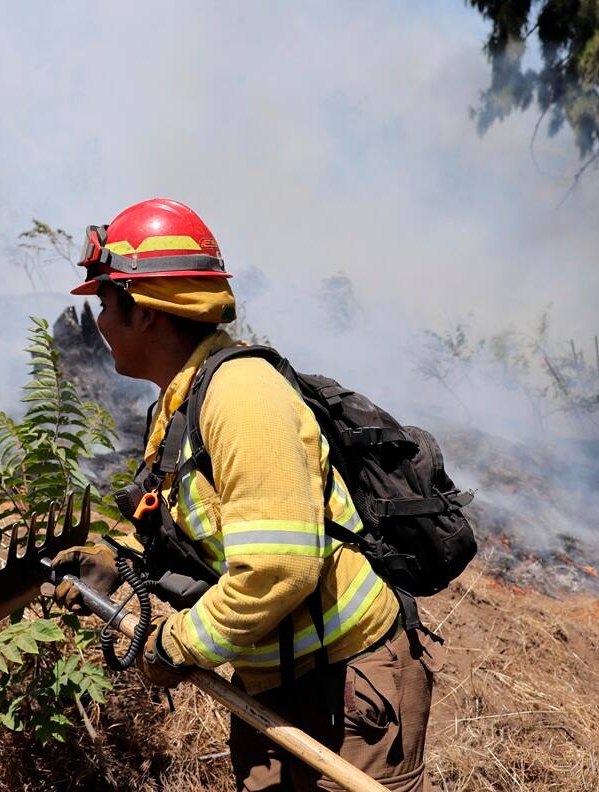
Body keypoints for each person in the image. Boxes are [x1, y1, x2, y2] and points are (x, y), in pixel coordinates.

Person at [54, 198, 439, 792]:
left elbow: (278, 568)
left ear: (149, 313)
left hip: (349, 689)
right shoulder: (179, 403)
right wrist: (115, 569)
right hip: (275, 685)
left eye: (105, 303)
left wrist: (176, 643)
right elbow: (185, 526)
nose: (98, 322)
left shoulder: (242, 397)